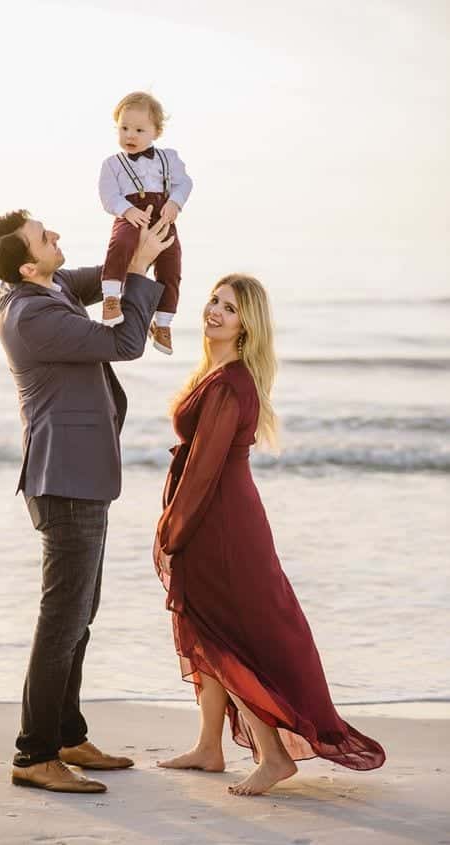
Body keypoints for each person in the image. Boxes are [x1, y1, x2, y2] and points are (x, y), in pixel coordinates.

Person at [153, 274, 386, 797]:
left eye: (229, 308)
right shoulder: (217, 373)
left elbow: (205, 470)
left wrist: (172, 526)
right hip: (220, 516)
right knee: (205, 624)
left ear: (246, 326)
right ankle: (210, 747)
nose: (214, 310)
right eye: (214, 300)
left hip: (222, 524)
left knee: (226, 633)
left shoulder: (231, 382)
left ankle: (275, 756)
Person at [0, 208, 172, 793]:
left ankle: (66, 734)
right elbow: (125, 342)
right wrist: (139, 269)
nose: (57, 235)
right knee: (62, 622)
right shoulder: (33, 313)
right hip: (64, 483)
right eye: (45, 236)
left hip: (82, 478)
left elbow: (99, 276)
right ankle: (33, 754)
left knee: (79, 616)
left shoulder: (50, 284)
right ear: (28, 263)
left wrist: (138, 227)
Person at [99, 91, 193, 355]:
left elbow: (184, 183)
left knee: (171, 264)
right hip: (130, 216)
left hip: (162, 216)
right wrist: (126, 210)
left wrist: (174, 202)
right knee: (121, 244)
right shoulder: (112, 164)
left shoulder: (169, 158)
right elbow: (108, 196)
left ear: (156, 132)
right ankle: (111, 298)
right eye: (124, 128)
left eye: (139, 130)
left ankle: (163, 323)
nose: (130, 135)